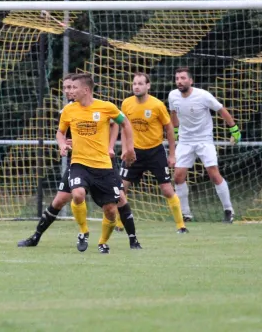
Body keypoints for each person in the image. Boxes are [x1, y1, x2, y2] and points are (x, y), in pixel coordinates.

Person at [59, 73, 137, 254]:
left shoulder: (106, 107)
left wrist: (130, 148)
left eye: (74, 87)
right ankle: (83, 231)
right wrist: (62, 144)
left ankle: (103, 242)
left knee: (111, 209)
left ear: (85, 90)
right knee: (77, 194)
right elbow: (60, 132)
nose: (71, 91)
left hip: (103, 166)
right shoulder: (69, 110)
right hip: (79, 163)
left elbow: (124, 123)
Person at [168, 67, 241, 223]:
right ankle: (186, 214)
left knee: (213, 174)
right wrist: (175, 133)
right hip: (185, 141)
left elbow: (221, 110)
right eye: (177, 79)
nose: (179, 81)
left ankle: (229, 211)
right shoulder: (173, 95)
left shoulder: (203, 96)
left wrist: (234, 129)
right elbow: (173, 113)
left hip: (204, 140)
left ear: (190, 80)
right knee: (178, 176)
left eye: (183, 78)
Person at [118, 72, 187, 233]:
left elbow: (169, 128)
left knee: (167, 189)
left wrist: (172, 154)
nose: (136, 86)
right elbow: (123, 127)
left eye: (140, 83)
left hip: (155, 152)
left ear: (148, 86)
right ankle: (119, 225)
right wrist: (125, 149)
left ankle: (181, 226)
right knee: (121, 188)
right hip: (134, 152)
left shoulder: (156, 105)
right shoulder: (126, 104)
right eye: (134, 83)